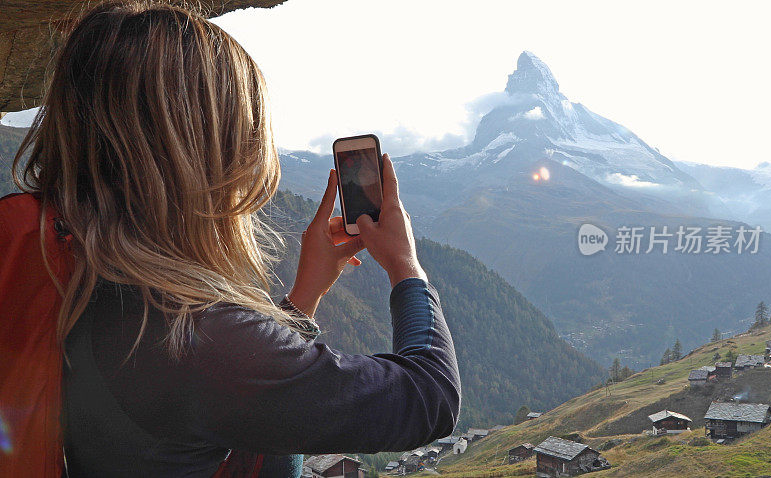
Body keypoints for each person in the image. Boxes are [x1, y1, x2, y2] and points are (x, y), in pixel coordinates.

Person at [7, 1, 460, 476]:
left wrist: (305, 296)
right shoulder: (194, 335)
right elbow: (429, 397)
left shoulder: (73, 274)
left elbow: (240, 400)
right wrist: (406, 265)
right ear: (206, 152)